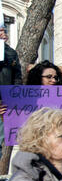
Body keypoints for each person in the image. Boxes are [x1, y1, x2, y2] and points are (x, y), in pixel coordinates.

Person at [0, 26, 22, 158]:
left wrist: (13, 99)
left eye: (4, 31)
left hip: (3, 106)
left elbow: (17, 77)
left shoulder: (11, 53)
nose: (3, 34)